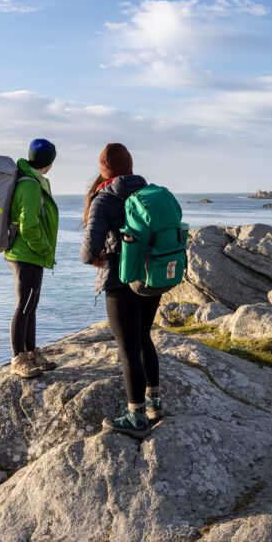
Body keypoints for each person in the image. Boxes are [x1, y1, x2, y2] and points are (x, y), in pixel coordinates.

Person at [79, 143, 162, 438]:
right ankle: (155, 405)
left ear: (104, 171)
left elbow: (89, 250)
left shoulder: (104, 198)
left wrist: (92, 259)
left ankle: (136, 417)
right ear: (130, 165)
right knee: (143, 338)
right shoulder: (148, 192)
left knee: (128, 350)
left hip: (119, 279)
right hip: (151, 279)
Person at [5, 138, 59, 379]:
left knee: (30, 305)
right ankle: (18, 359)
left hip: (28, 253)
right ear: (49, 162)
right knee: (24, 306)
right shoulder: (31, 185)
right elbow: (29, 226)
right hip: (26, 253)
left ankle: (31, 353)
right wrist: (45, 248)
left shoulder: (30, 181)